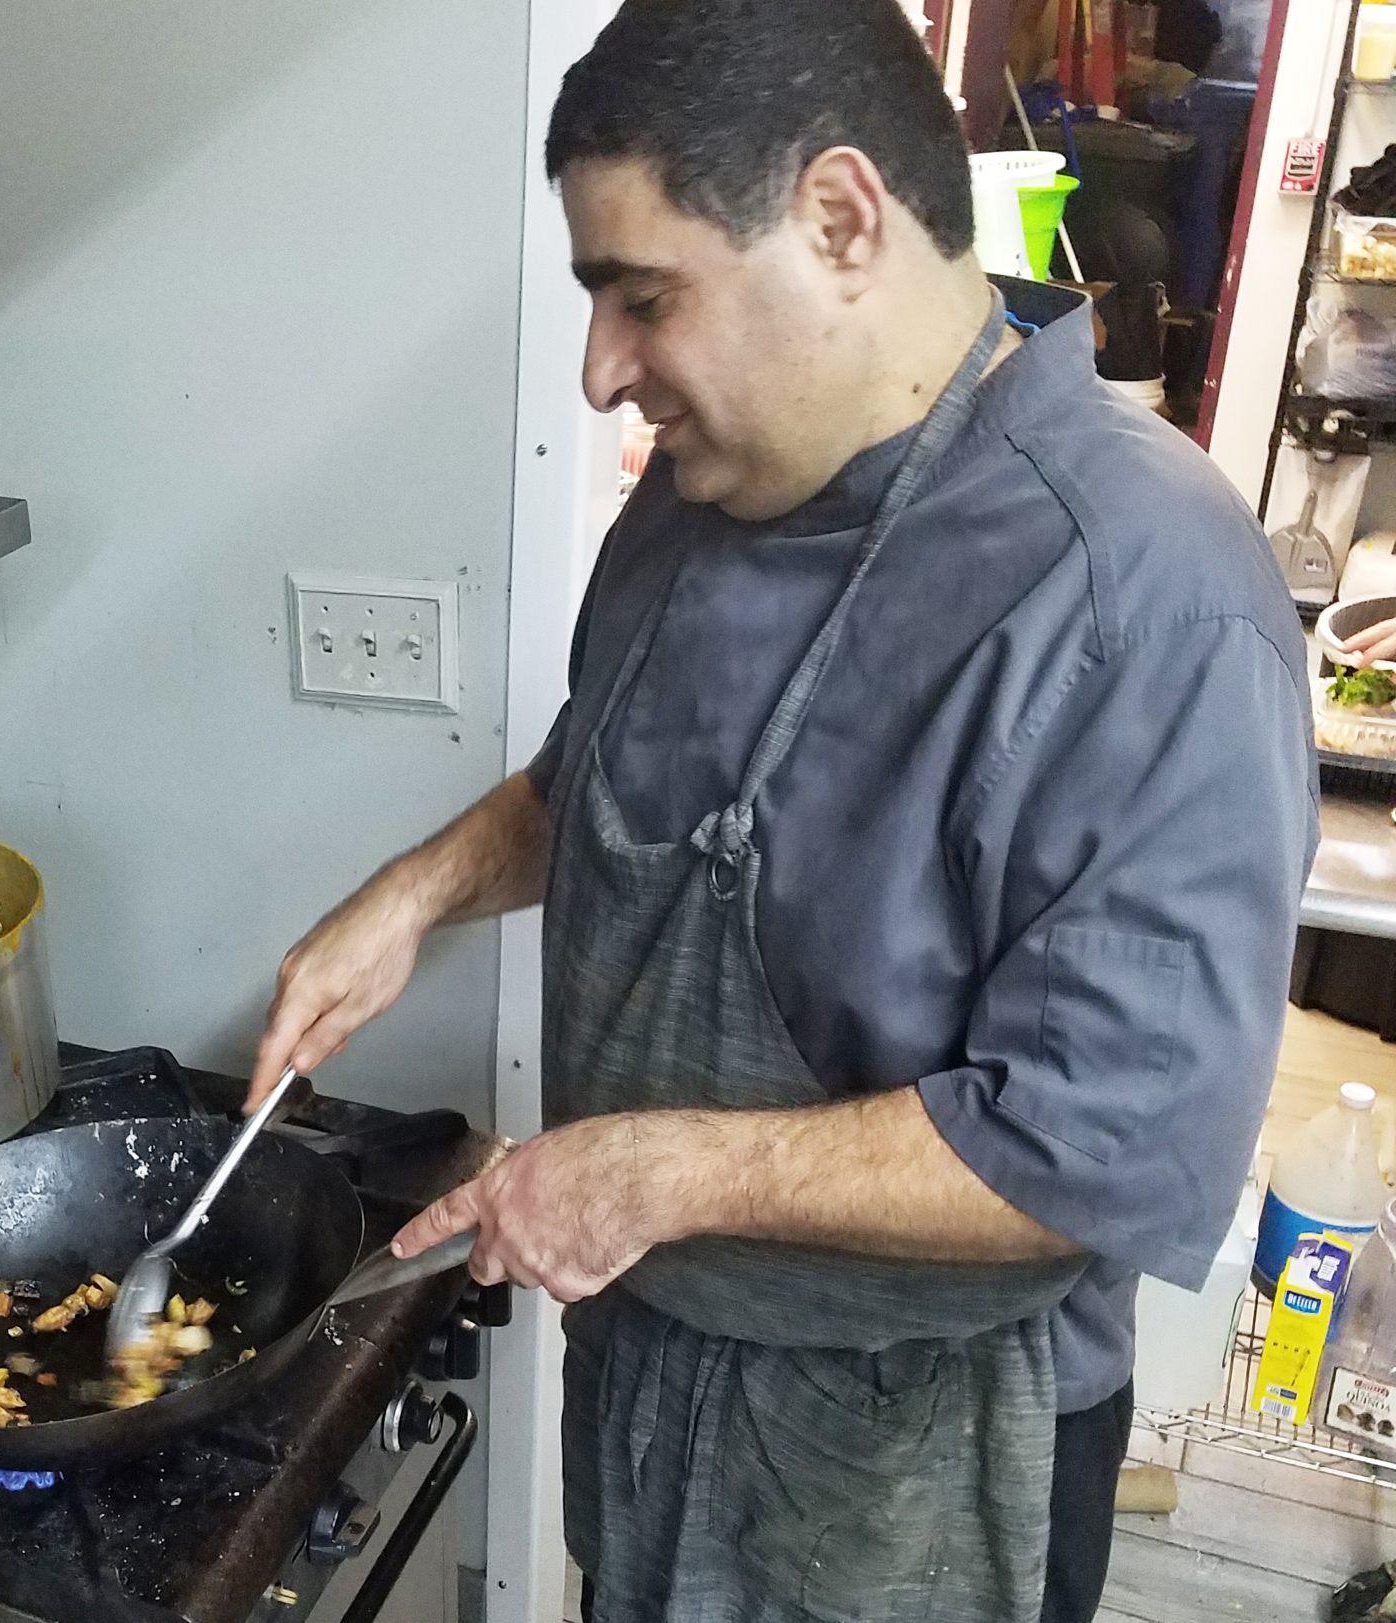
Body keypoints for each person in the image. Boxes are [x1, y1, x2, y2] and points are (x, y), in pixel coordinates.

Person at [247, 3, 1317, 1618]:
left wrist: (652, 1177)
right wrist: (414, 893)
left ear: (838, 220)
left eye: (642, 296)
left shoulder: (1145, 598)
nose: (605, 369)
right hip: (668, 1384)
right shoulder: (700, 500)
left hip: (924, 1449)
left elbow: (1099, 1150)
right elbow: (596, 785)